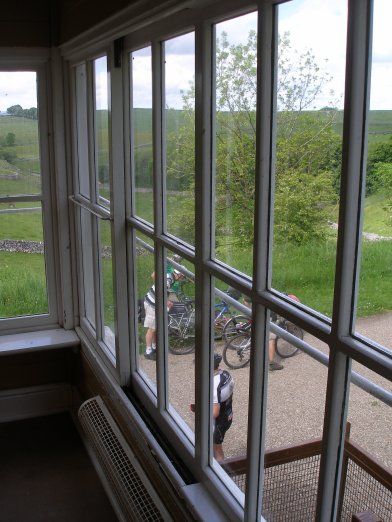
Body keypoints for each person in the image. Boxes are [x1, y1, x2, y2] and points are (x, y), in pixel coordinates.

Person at [190, 352, 234, 462]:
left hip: (218, 422)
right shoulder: (225, 374)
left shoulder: (214, 385)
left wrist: (199, 410)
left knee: (217, 450)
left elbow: (215, 412)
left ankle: (221, 473)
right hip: (228, 414)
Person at [243, 296, 283, 371]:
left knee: (258, 333)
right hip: (265, 315)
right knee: (271, 339)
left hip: (253, 312)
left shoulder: (250, 290)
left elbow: (245, 301)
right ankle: (272, 363)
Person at [144, 269, 175, 360]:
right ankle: (148, 351)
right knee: (152, 329)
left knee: (156, 327)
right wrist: (167, 301)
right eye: (182, 277)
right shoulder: (169, 280)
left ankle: (154, 347)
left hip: (155, 303)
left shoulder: (170, 277)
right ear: (179, 275)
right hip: (152, 304)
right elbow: (161, 290)